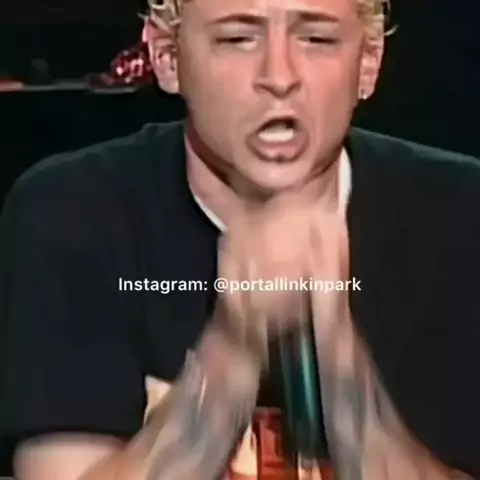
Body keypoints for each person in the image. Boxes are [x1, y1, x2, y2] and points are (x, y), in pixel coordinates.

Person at [1, 0, 480, 478]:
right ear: (168, 57)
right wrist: (231, 352)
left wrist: (340, 365)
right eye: (237, 39)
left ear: (368, 62)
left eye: (317, 39)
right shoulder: (73, 211)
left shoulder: (460, 214)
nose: (279, 77)